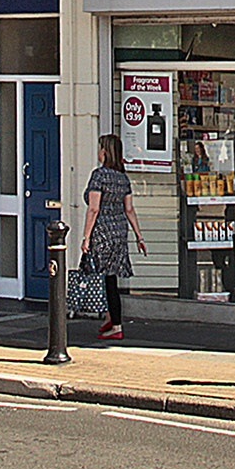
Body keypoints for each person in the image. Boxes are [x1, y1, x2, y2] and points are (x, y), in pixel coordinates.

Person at [80, 132, 146, 341]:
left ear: (105, 152)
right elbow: (129, 209)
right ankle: (111, 318)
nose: (99, 152)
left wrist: (86, 237)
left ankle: (115, 324)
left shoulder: (99, 176)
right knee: (111, 278)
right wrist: (139, 236)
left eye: (101, 148)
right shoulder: (122, 177)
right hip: (119, 233)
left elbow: (93, 209)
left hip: (103, 233)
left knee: (101, 277)